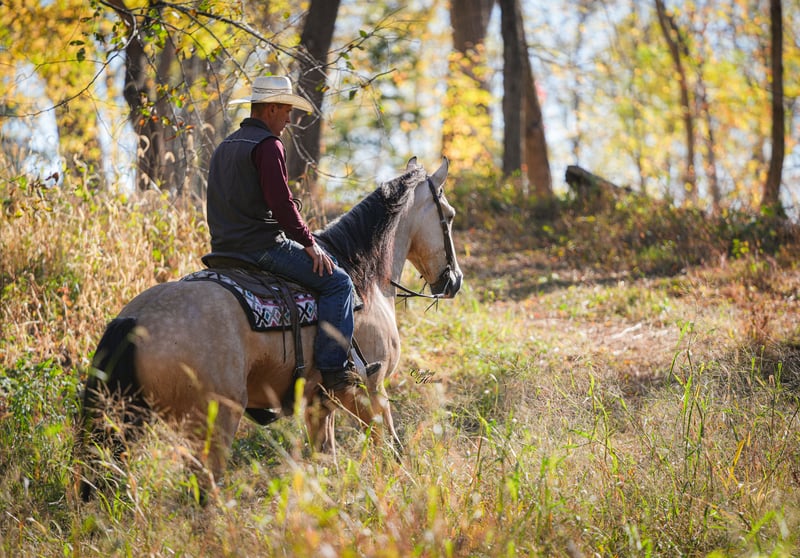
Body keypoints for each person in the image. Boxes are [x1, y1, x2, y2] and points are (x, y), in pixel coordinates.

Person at [206, 75, 375, 394]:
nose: (288, 119)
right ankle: (335, 370)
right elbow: (281, 205)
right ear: (270, 109)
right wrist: (308, 242)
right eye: (286, 111)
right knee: (338, 282)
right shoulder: (268, 146)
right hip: (261, 247)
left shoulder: (224, 146)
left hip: (222, 248)